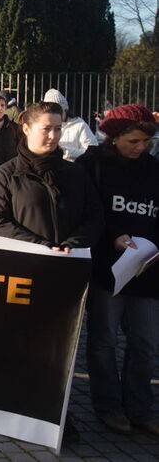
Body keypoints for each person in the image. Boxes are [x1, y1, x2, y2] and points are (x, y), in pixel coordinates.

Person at [76, 105, 159, 435]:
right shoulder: (93, 165)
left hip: (148, 271)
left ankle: (141, 408)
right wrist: (113, 236)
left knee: (145, 343)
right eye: (134, 141)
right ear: (114, 137)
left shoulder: (153, 168)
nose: (141, 148)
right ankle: (109, 407)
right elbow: (88, 211)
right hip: (107, 271)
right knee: (104, 341)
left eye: (147, 142)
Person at [0, 101, 103, 251]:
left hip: (70, 262)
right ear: (26, 129)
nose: (53, 136)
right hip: (24, 264)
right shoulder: (7, 174)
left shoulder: (76, 173)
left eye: (58, 129)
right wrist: (40, 247)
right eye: (46, 129)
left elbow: (95, 218)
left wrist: (73, 244)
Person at [43, 89, 97, 161]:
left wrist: (65, 152)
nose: (55, 115)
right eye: (51, 112)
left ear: (65, 109)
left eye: (58, 111)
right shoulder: (42, 126)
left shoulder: (79, 125)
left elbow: (92, 152)